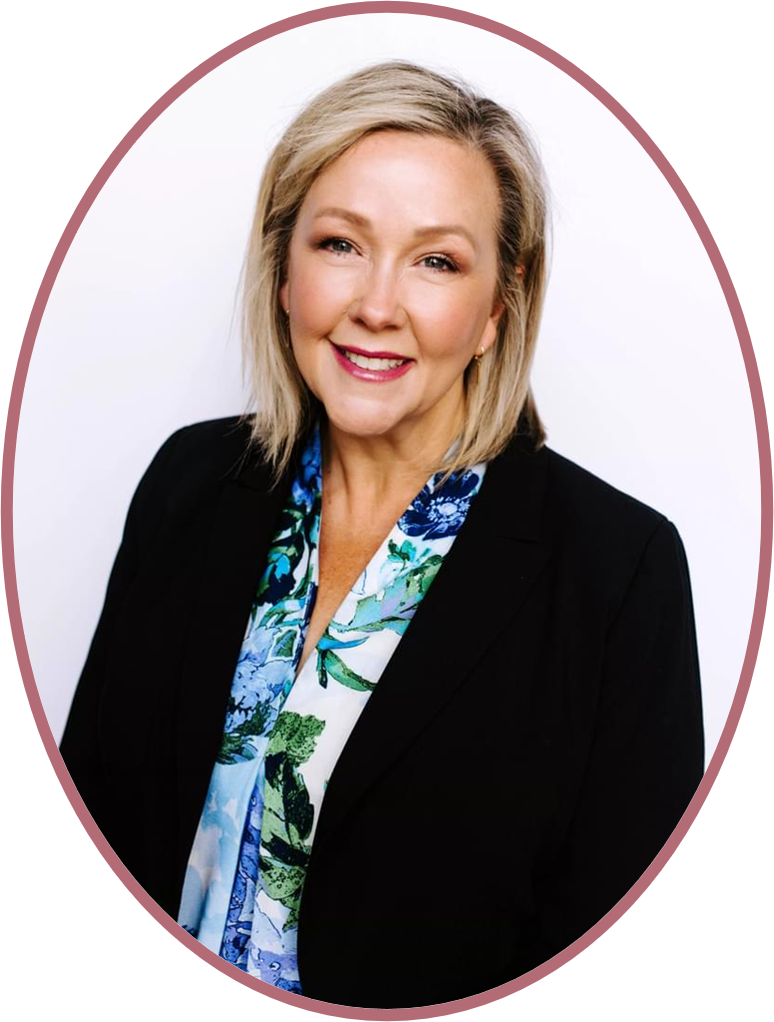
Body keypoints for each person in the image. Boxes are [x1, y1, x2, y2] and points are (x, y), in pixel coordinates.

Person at [59, 60, 704, 1007]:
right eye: (340, 244)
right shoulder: (188, 484)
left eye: (437, 260)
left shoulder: (618, 573)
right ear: (284, 269)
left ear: (497, 307)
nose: (377, 305)